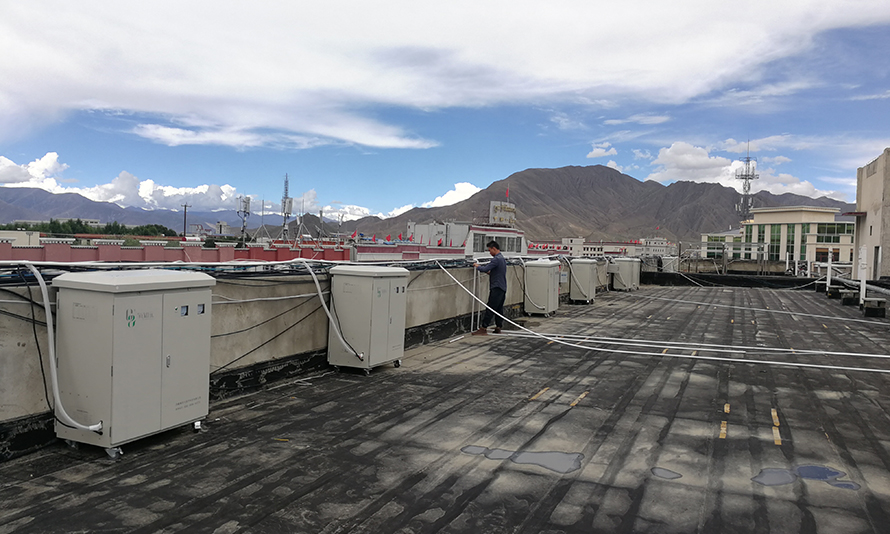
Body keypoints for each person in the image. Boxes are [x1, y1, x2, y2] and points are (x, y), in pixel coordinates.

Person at [472, 240, 507, 335]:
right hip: (502, 287)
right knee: (499, 308)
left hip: (496, 287)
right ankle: (498, 326)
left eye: (490, 250)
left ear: (494, 249)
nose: (489, 252)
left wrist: (477, 266)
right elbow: (496, 272)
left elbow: (486, 268)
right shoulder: (502, 259)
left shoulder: (496, 259)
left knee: (490, 308)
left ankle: (484, 327)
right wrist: (490, 273)